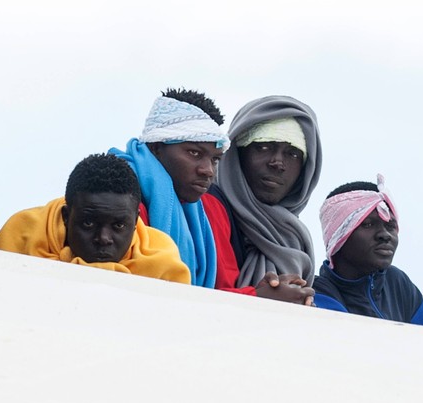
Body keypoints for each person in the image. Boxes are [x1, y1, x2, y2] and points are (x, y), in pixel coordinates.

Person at [110, 88, 309, 303]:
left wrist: (263, 291)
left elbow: (221, 289)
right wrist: (256, 298)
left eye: (215, 159)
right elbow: (127, 291)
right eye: (194, 153)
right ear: (157, 147)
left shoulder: (211, 209)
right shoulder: (116, 195)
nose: (208, 171)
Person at [0, 153, 191, 283]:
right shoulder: (21, 236)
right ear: (66, 216)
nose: (103, 238)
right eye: (89, 223)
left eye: (119, 225)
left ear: (136, 222)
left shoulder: (162, 262)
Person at [203, 95, 322, 304]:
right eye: (263, 147)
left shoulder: (294, 238)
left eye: (293, 154)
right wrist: (257, 298)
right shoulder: (206, 207)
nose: (278, 163)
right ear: (237, 155)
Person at [312, 175, 423, 326]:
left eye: (390, 226)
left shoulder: (399, 284)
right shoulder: (318, 294)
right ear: (337, 236)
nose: (385, 235)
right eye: (368, 224)